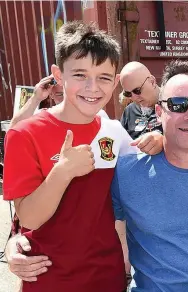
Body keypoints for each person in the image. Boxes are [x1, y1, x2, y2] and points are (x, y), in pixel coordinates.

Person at [7, 60, 188, 291]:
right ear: (159, 111)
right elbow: (78, 216)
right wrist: (17, 239)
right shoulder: (126, 171)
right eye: (178, 105)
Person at [2, 21, 132, 292]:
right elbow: (28, 219)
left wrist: (159, 140)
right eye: (80, 75)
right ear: (58, 75)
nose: (92, 87)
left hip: (107, 275)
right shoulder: (25, 134)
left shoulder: (115, 132)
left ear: (116, 81)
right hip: (48, 277)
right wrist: (62, 172)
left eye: (104, 77)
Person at [9, 75, 109, 129]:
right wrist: (36, 98)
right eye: (60, 94)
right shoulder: (42, 117)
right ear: (51, 95)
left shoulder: (98, 115)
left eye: (69, 92)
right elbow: (13, 130)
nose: (66, 99)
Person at [119, 61, 162, 140]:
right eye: (128, 94)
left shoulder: (171, 105)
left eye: (137, 90)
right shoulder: (129, 111)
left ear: (152, 82)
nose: (134, 98)